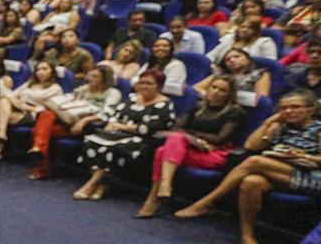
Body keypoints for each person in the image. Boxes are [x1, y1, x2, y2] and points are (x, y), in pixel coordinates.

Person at [176, 89, 321, 244]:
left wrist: (302, 157)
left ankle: (206, 202)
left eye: (295, 107)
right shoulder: (281, 127)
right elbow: (251, 146)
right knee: (251, 182)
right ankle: (248, 236)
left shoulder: (318, 130)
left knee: (254, 162)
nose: (288, 111)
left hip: (313, 177)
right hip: (281, 173)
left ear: (310, 110)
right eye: (283, 108)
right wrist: (268, 123)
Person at [135, 76, 245, 218]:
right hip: (191, 149)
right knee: (166, 147)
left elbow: (220, 139)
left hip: (214, 153)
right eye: (214, 87)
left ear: (229, 95)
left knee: (165, 149)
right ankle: (161, 190)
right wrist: (191, 139)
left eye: (222, 90)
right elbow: (176, 127)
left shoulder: (234, 112)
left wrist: (190, 136)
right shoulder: (198, 107)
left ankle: (157, 194)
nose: (216, 92)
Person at [73, 69, 175, 200]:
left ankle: (91, 184)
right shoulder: (132, 98)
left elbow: (149, 127)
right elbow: (115, 114)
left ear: (159, 86)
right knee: (91, 141)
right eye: (141, 83)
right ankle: (102, 184)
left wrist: (120, 126)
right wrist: (112, 123)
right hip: (117, 133)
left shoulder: (165, 105)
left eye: (149, 84)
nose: (144, 86)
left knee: (115, 148)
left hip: (142, 139)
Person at [27, 64, 121, 180]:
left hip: (88, 126)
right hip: (69, 120)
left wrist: (85, 120)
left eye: (95, 76)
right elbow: (66, 100)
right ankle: (39, 151)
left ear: (104, 79)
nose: (90, 78)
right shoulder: (84, 89)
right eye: (90, 75)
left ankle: (41, 163)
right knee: (47, 114)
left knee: (39, 131)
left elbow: (108, 113)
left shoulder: (112, 92)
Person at [0, 60, 64, 164]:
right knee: (3, 101)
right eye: (38, 69)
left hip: (33, 114)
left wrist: (24, 106)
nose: (40, 72)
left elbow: (48, 110)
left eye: (44, 69)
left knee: (0, 117)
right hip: (19, 108)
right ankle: (1, 135)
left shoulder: (55, 88)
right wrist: (20, 105)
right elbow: (11, 95)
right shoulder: (31, 83)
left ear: (52, 71)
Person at [194, 47, 269, 101]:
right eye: (227, 59)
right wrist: (211, 95)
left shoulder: (259, 74)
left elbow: (261, 100)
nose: (232, 60)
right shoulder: (220, 74)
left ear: (248, 60)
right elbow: (196, 88)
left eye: (237, 57)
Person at [206, 17, 277, 64]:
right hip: (221, 73)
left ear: (256, 30)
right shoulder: (229, 39)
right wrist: (212, 65)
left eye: (250, 28)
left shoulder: (264, 42)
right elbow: (210, 56)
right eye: (242, 27)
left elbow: (271, 63)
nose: (245, 30)